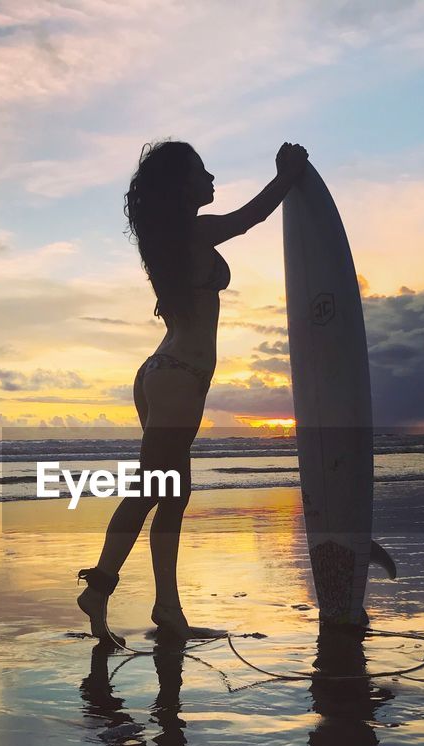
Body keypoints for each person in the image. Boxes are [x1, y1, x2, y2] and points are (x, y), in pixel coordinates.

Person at [77, 139, 309, 643]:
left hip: (166, 372)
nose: (211, 178)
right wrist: (289, 174)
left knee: (172, 494)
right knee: (151, 491)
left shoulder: (172, 239)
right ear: (181, 187)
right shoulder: (189, 232)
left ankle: (167, 609)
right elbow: (251, 217)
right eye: (201, 172)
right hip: (178, 375)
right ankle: (99, 588)